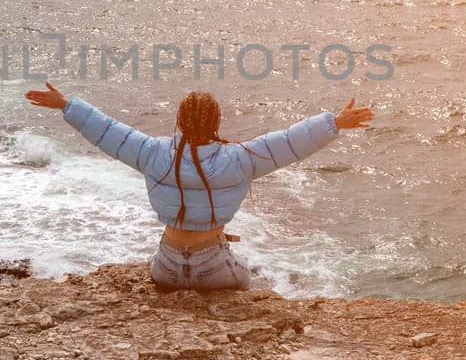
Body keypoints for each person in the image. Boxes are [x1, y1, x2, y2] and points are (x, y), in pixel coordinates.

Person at [25, 82, 373, 291]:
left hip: (165, 268)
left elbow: (110, 132)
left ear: (179, 120)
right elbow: (286, 142)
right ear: (217, 121)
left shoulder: (151, 153)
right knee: (251, 278)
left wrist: (68, 105)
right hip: (215, 268)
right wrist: (334, 122)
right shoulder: (239, 159)